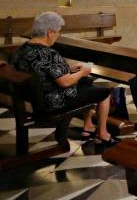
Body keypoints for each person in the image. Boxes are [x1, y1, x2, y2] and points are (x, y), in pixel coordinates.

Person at [10, 12, 118, 146]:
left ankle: (88, 126)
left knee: (86, 82)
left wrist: (69, 71)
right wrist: (82, 72)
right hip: (54, 102)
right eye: (57, 32)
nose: (57, 36)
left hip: (32, 97)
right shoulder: (49, 54)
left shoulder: (21, 50)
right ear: (50, 32)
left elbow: (43, 72)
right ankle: (102, 134)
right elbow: (65, 82)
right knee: (104, 92)